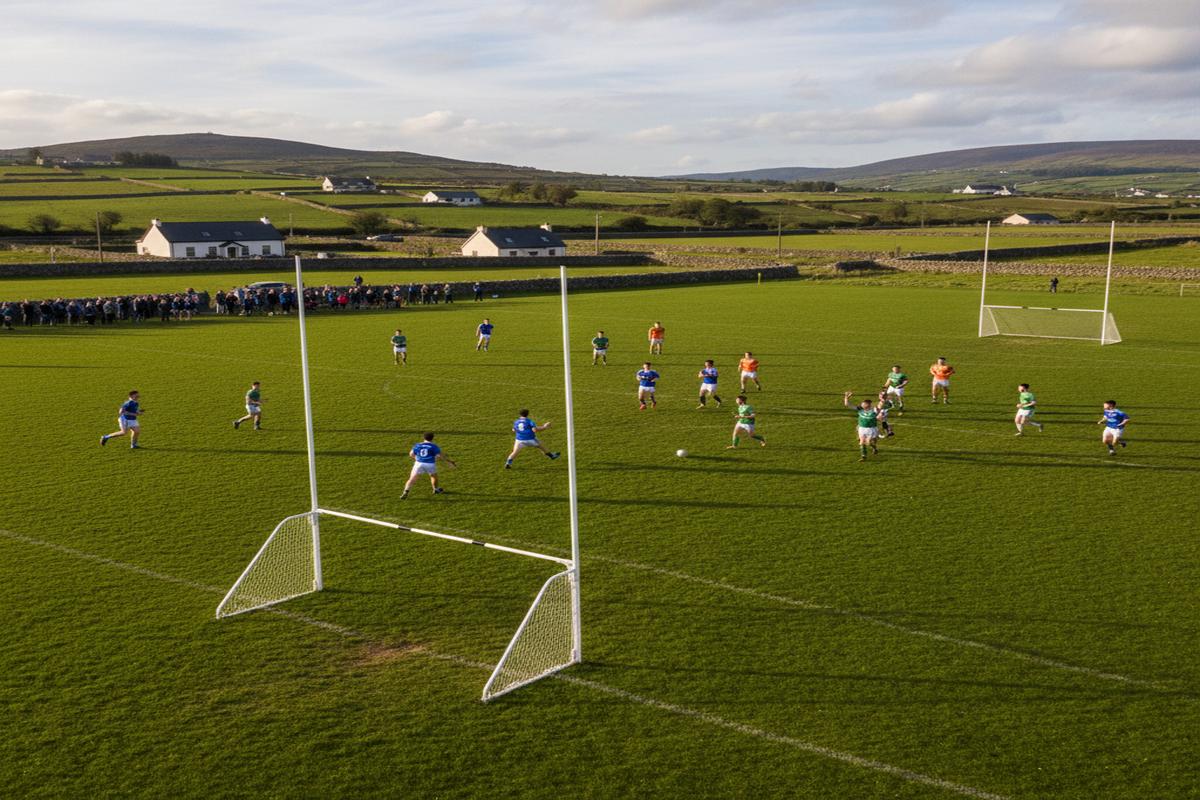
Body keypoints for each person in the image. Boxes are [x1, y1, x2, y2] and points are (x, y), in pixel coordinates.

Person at [401, 432, 456, 498]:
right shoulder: (434, 446)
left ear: (424, 437)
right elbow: (441, 456)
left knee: (412, 479)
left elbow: (411, 454)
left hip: (418, 464)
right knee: (433, 476)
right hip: (430, 464)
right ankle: (435, 489)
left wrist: (418, 459)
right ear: (432, 438)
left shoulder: (418, 445)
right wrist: (449, 461)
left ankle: (406, 491)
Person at [843, 391, 880, 461]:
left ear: (868, 405)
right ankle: (864, 456)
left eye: (863, 404)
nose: (861, 405)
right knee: (862, 441)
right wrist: (846, 397)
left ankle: (874, 448)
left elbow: (879, 408)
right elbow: (847, 405)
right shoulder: (860, 409)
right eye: (862, 404)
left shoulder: (874, 411)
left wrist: (882, 401)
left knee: (869, 443)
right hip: (862, 428)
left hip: (871, 429)